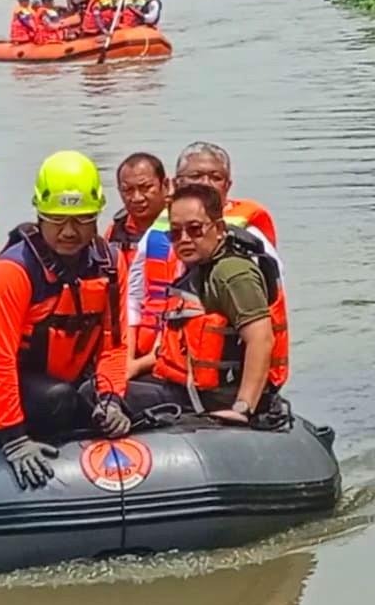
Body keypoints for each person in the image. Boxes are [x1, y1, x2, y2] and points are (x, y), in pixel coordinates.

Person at [0, 151, 132, 490]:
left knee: (131, 401)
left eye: (81, 219)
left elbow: (114, 347)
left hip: (52, 382)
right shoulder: (15, 271)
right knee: (59, 400)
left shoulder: (110, 265)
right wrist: (14, 438)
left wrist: (111, 400)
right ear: (40, 215)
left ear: (97, 215)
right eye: (57, 220)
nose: (69, 232)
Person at [124, 184, 287, 424]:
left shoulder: (232, 274)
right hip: (191, 387)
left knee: (96, 393)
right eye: (175, 233)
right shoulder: (201, 270)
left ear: (219, 228)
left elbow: (261, 339)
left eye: (195, 229)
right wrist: (134, 366)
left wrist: (242, 408)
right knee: (110, 384)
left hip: (215, 398)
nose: (185, 239)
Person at [126, 142, 281, 374]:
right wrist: (127, 361)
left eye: (215, 177)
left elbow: (266, 316)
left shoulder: (250, 241)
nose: (206, 183)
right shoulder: (155, 234)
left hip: (213, 368)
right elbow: (133, 300)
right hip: (158, 358)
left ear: (227, 185)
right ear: (177, 184)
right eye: (196, 176)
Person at [107, 153, 170, 271]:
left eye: (145, 187)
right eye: (128, 190)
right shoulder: (114, 232)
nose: (137, 198)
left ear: (165, 185)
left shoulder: (182, 228)